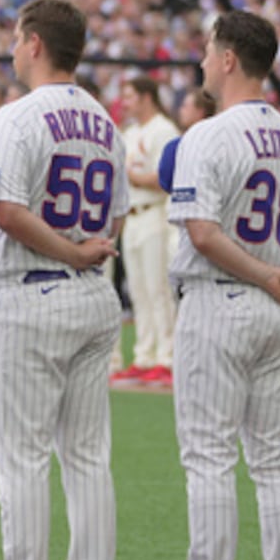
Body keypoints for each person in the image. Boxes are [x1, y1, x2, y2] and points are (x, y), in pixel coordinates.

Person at [0, 0, 123, 560]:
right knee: (87, 457)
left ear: (33, 43)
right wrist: (84, 250)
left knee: (23, 457)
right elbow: (116, 216)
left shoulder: (18, 116)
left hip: (32, 293)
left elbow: (8, 211)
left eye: (17, 38)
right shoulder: (105, 122)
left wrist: (70, 249)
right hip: (91, 295)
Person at [144, 11, 280, 560]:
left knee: (210, 454)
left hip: (225, 298)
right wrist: (273, 276)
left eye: (208, 50)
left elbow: (204, 234)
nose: (200, 60)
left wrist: (262, 274)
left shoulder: (208, 135)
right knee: (275, 457)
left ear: (228, 59)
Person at [117, 76, 179, 383]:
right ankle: (144, 354)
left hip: (155, 212)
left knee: (158, 289)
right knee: (139, 290)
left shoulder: (163, 129)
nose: (125, 103)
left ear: (146, 97)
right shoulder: (130, 132)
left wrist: (133, 177)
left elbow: (165, 177)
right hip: (132, 214)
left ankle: (166, 356)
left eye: (129, 97)